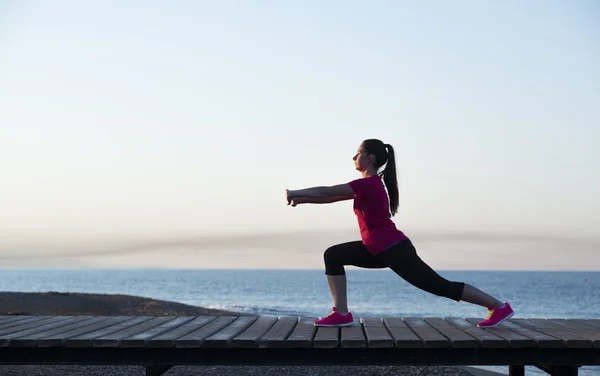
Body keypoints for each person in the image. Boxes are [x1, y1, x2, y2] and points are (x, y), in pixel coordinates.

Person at [285, 139, 514, 328]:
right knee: (333, 255)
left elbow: (327, 191)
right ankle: (342, 313)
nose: (354, 158)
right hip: (376, 248)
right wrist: (301, 199)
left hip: (392, 249)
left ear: (370, 158)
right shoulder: (366, 186)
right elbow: (330, 197)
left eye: (357, 153)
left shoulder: (370, 184)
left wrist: (294, 191)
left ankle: (498, 307)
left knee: (441, 286)